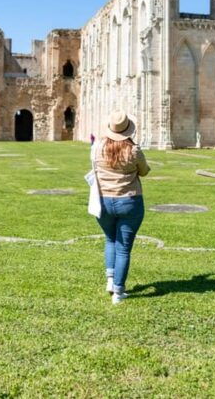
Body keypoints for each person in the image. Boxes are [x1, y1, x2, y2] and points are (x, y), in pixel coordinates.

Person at [92, 110, 150, 304]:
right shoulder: (134, 151)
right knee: (123, 248)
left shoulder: (97, 147)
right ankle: (118, 291)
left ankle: (110, 281)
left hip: (104, 201)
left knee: (110, 240)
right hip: (129, 201)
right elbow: (144, 171)